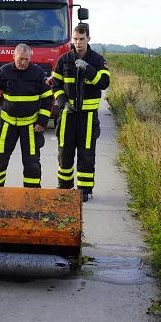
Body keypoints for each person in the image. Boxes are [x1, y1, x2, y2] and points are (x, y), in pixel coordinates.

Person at [0, 43, 53, 188]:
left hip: (30, 126)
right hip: (8, 125)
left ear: (30, 58)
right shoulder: (4, 71)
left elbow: (47, 98)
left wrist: (42, 121)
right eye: (20, 59)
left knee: (32, 162)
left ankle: (32, 193)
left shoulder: (38, 73)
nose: (23, 62)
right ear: (14, 56)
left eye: (26, 59)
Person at [51, 23, 110, 202]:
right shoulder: (63, 60)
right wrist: (63, 103)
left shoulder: (98, 60)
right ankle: (65, 186)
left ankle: (84, 190)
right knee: (65, 153)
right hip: (68, 115)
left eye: (82, 39)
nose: (78, 43)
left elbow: (104, 83)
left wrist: (88, 69)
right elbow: (56, 85)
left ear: (88, 39)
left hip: (88, 116)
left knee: (86, 154)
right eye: (75, 39)